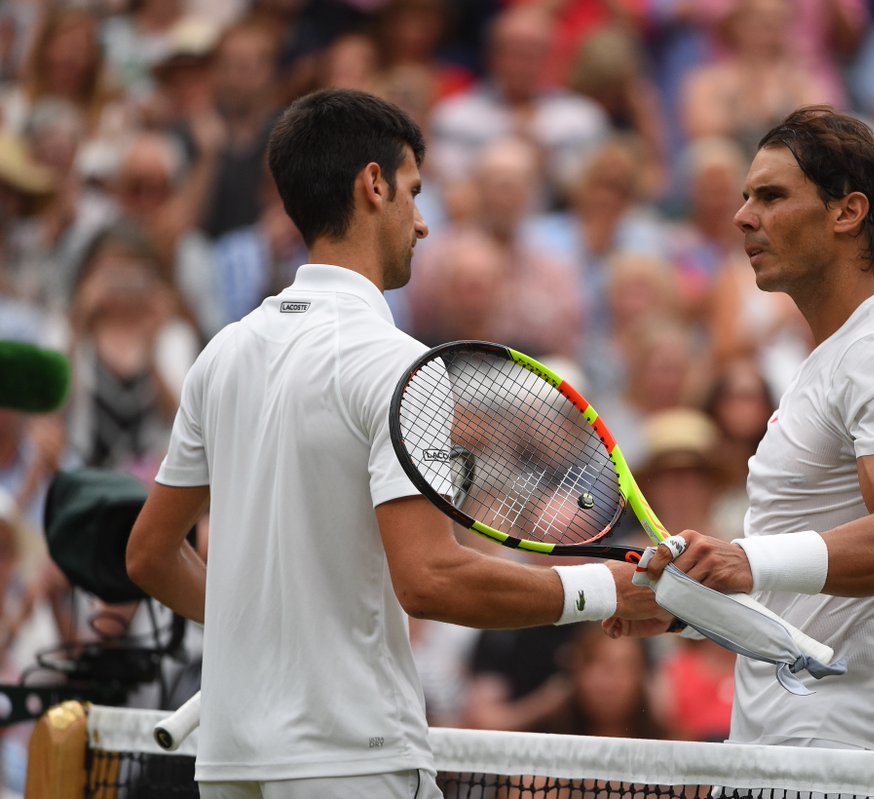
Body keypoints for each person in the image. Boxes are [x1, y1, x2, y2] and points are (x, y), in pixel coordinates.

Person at [124, 88, 659, 798]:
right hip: (353, 759)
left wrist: (260, 624)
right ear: (373, 186)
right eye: (413, 191)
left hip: (229, 763)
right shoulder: (404, 367)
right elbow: (431, 577)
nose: (424, 222)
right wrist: (608, 588)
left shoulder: (222, 353)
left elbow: (150, 554)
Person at [610, 106, 874, 754]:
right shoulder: (827, 362)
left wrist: (745, 559)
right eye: (747, 196)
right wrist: (689, 607)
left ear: (846, 212)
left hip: (851, 759)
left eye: (772, 196)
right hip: (777, 751)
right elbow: (799, 608)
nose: (743, 216)